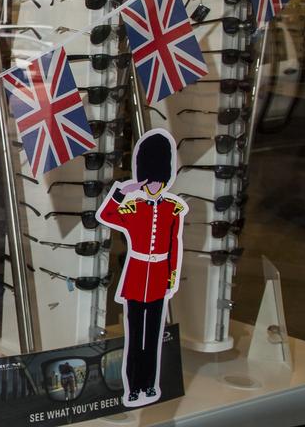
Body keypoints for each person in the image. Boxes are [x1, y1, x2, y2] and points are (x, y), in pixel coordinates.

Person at [97, 129, 187, 408]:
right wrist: (122, 192)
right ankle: (134, 386)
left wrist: (171, 276)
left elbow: (173, 244)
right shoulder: (133, 207)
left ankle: (149, 383)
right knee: (135, 337)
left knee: (153, 337)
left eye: (159, 180)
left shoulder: (173, 208)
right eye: (151, 181)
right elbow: (106, 215)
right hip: (136, 276)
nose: (155, 186)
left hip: (159, 277)